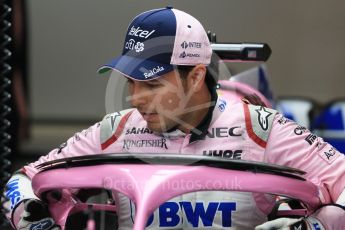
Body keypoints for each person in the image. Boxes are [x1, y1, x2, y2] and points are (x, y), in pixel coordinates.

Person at [3, 6, 345, 230]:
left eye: (151, 83)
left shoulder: (261, 128)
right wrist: (30, 216)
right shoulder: (116, 130)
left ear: (195, 77)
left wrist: (317, 224)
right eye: (131, 82)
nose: (135, 99)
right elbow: (23, 179)